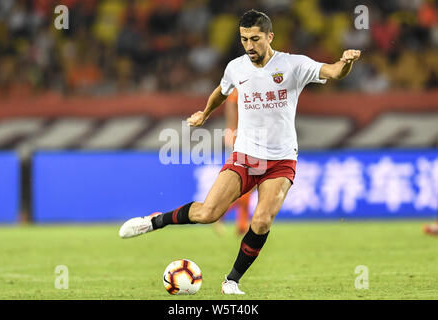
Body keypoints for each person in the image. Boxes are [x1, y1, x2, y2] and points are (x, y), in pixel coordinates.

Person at [119, 9, 361, 295]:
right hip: (246, 155)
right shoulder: (236, 67)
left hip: (281, 159)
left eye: (255, 39)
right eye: (244, 39)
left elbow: (332, 71)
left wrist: (345, 63)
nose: (249, 45)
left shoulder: (293, 65)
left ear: (269, 37)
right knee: (208, 213)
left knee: (261, 220)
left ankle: (231, 280)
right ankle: (155, 221)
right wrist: (206, 113)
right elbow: (222, 90)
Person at [213, 88, 252, 236]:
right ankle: (224, 215)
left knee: (249, 185)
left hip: (249, 138)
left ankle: (240, 223)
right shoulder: (240, 88)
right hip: (240, 139)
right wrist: (231, 131)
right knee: (247, 183)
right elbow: (230, 109)